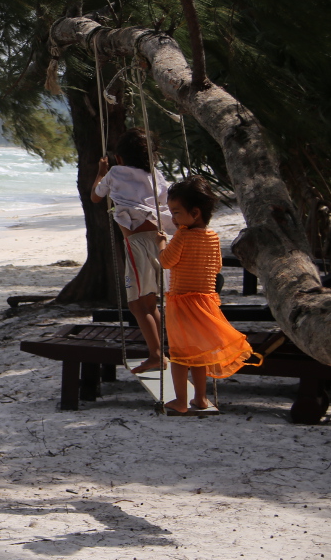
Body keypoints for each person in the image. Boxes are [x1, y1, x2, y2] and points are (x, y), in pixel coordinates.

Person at [158, 176, 258, 413]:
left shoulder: (182, 236)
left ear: (195, 213)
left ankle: (180, 401)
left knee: (179, 354)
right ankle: (200, 399)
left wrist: (161, 243)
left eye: (176, 213)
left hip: (182, 303)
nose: (173, 218)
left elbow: (166, 261)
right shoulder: (213, 237)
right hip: (205, 302)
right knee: (199, 352)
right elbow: (217, 266)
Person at [91, 128, 171, 373]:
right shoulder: (156, 175)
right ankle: (162, 352)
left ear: (120, 158)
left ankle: (156, 355)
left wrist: (101, 172)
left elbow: (95, 196)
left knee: (137, 304)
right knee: (151, 303)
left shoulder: (115, 172)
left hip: (137, 243)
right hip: (161, 240)